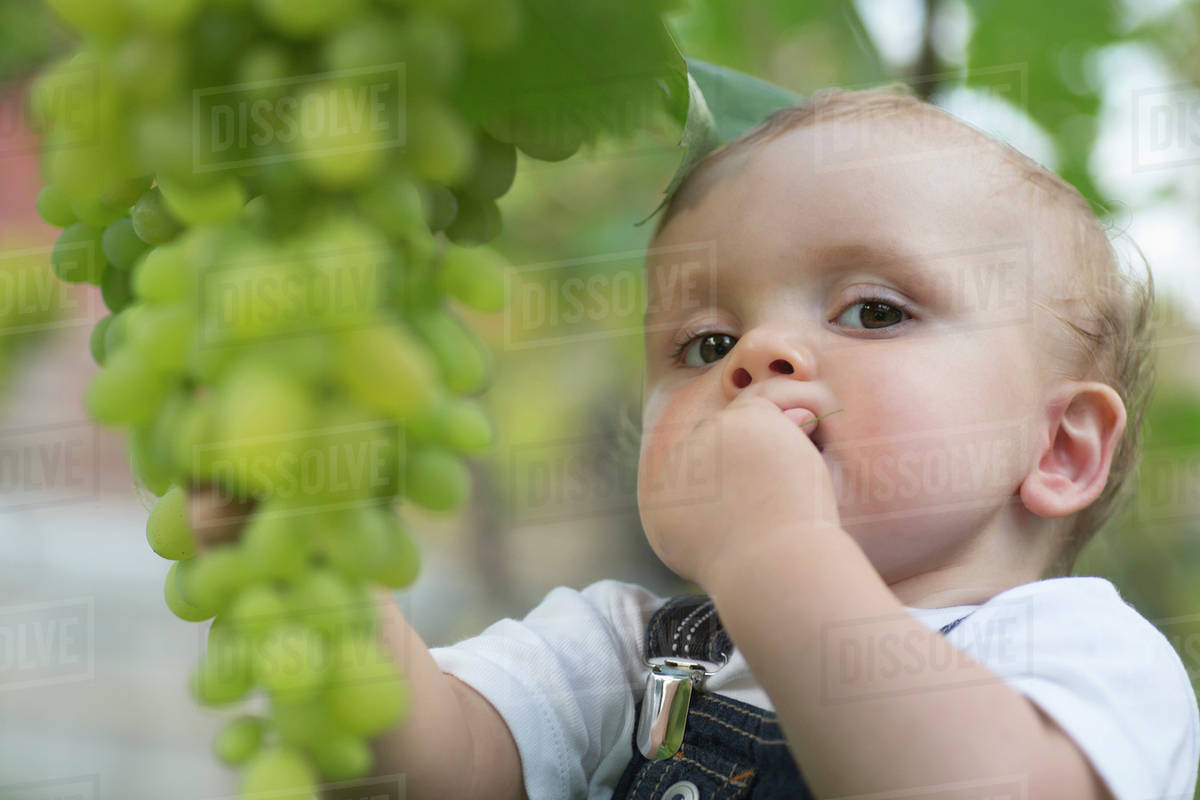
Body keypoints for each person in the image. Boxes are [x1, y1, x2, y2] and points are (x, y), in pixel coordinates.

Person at [189, 85, 1198, 800]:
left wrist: (777, 552)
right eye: (704, 340)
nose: (756, 354)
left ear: (1059, 447)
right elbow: (426, 769)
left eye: (875, 311)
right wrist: (304, 572)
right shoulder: (625, 647)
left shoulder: (1084, 655)